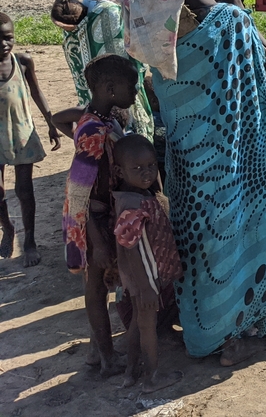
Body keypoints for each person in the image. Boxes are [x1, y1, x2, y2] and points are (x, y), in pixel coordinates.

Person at [150, 0, 266, 365]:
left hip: (187, 150)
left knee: (196, 233)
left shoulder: (159, 12)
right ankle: (234, 326)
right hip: (231, 156)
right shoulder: (231, 20)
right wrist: (235, 3)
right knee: (232, 231)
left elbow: (162, 80)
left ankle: (202, 325)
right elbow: (258, 61)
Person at [63, 54, 137, 377]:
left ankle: (96, 350)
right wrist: (96, 237)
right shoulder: (94, 131)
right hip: (90, 219)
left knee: (101, 285)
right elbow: (82, 192)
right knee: (95, 286)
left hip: (101, 214)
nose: (135, 92)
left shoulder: (102, 120)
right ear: (109, 88)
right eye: (130, 86)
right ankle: (107, 357)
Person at [58, 0, 154, 141]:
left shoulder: (77, 9)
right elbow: (132, 61)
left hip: (92, 103)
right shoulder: (113, 11)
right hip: (121, 105)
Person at [110, 134, 183, 392]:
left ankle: (131, 371)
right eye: (138, 168)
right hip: (145, 280)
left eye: (151, 166)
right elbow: (131, 251)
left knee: (137, 326)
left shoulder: (136, 197)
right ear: (120, 171)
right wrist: (146, 287)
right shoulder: (133, 206)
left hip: (141, 280)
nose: (147, 173)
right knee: (147, 327)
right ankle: (152, 378)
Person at [0, 12, 60, 267]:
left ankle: (30, 242)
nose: (3, 44)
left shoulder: (23, 62)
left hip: (22, 134)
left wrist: (51, 123)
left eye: (8, 38)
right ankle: (8, 227)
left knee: (24, 191)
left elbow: (37, 92)